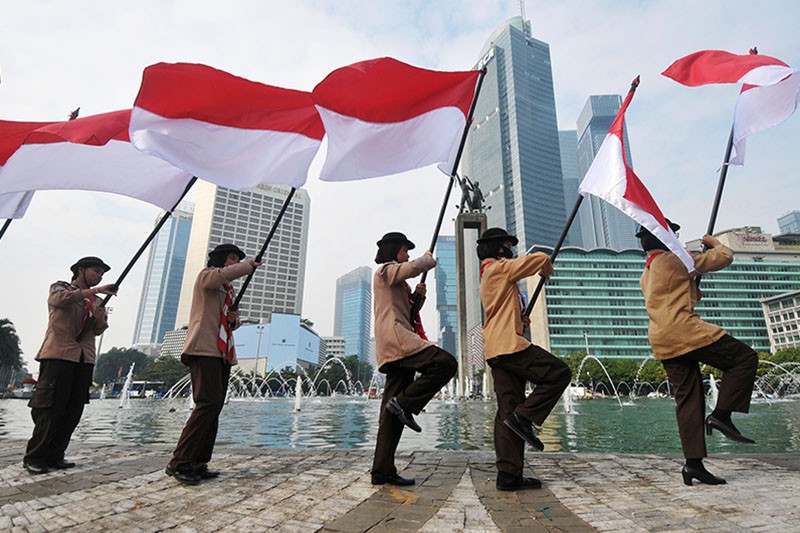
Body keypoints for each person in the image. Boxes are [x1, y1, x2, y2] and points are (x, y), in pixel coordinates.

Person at [638, 222, 758, 486]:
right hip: (684, 330)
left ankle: (693, 465)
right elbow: (722, 257)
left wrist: (691, 285)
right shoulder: (674, 259)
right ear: (664, 238)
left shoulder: (647, 271)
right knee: (744, 358)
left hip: (662, 338)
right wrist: (714, 244)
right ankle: (721, 415)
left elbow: (676, 293)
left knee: (688, 400)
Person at [477, 228, 571, 491]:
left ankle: (509, 476)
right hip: (509, 346)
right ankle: (525, 416)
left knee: (506, 411)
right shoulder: (498, 269)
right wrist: (546, 269)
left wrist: (520, 320)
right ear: (498, 248)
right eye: (507, 245)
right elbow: (539, 259)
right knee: (559, 373)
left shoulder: (489, 274)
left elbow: (500, 312)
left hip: (497, 348)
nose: (510, 249)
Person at [166, 243, 261, 485]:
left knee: (214, 406)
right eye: (231, 258)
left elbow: (229, 323)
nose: (234, 263)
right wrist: (247, 265)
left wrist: (234, 320)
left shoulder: (227, 290)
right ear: (220, 259)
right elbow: (219, 277)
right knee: (206, 403)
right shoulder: (207, 276)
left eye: (237, 259)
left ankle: (198, 462)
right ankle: (180, 462)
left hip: (222, 352)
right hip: (203, 348)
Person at [371, 232, 457, 486]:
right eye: (404, 250)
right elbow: (410, 268)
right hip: (397, 340)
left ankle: (382, 470)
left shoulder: (398, 282)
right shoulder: (384, 271)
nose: (407, 255)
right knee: (445, 363)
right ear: (393, 251)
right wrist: (426, 260)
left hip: (398, 342)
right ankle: (404, 403)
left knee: (390, 416)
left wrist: (417, 300)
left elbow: (406, 313)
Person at [24, 256, 117, 475]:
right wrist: (95, 291)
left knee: (74, 408)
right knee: (50, 407)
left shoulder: (96, 301)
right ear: (81, 270)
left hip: (84, 358)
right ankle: (36, 455)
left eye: (102, 274)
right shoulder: (61, 287)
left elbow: (98, 329)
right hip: (59, 354)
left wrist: (100, 316)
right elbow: (60, 300)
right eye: (96, 271)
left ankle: (56, 454)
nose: (99, 277)